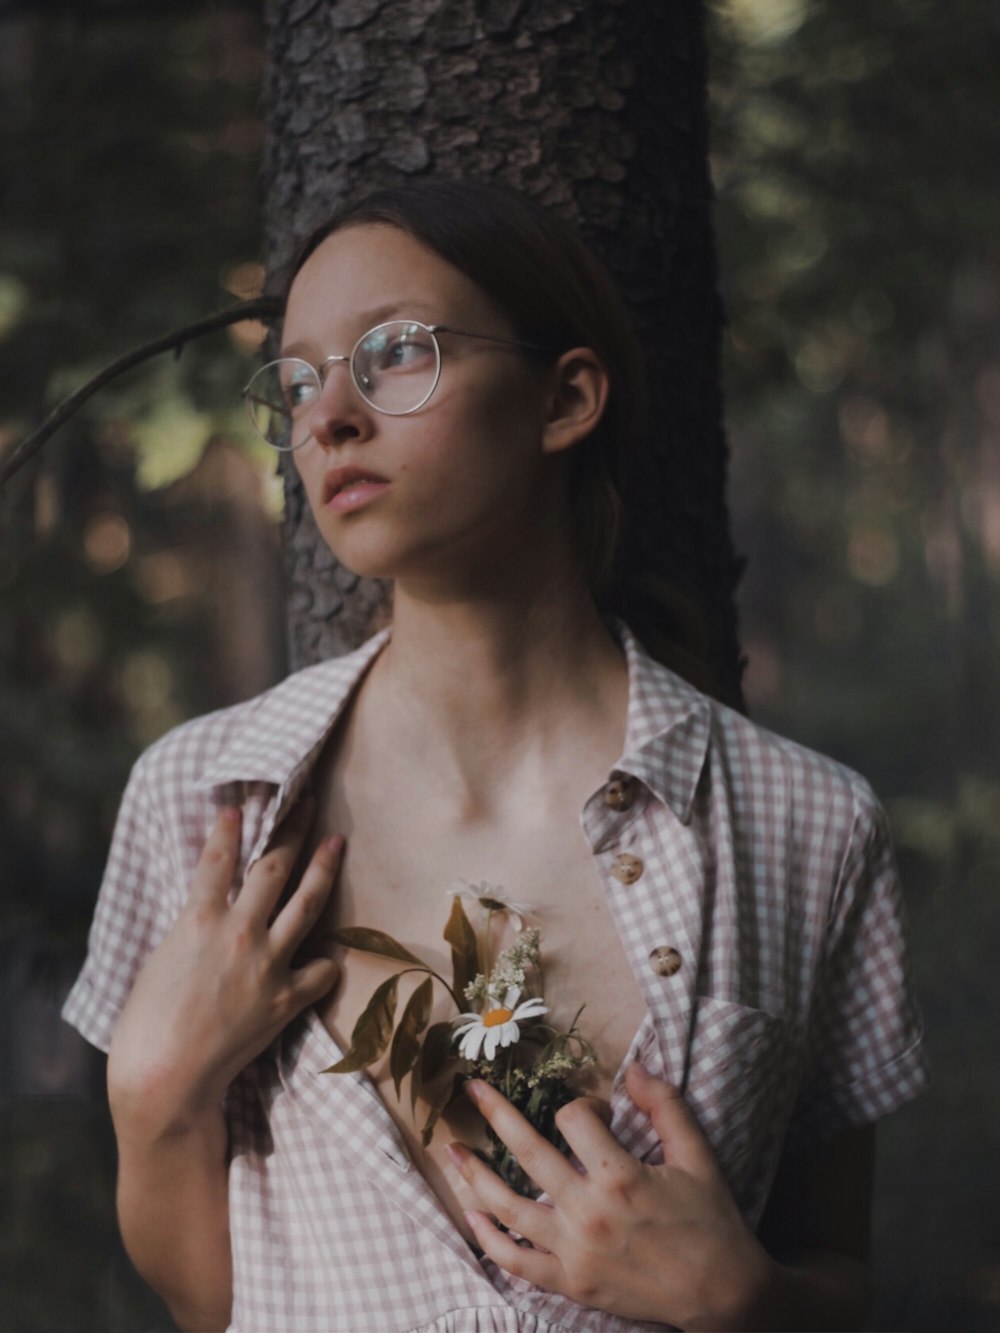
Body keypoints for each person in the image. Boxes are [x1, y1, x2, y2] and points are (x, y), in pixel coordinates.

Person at [62, 180, 927, 1333]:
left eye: (395, 354)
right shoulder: (207, 799)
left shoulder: (806, 825)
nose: (330, 417)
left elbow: (842, 1274)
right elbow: (212, 1305)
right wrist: (153, 1098)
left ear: (564, 398)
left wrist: (744, 1301)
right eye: (303, 378)